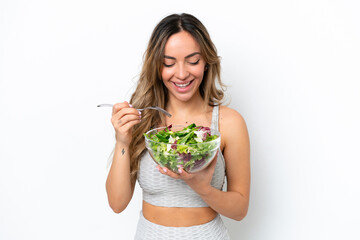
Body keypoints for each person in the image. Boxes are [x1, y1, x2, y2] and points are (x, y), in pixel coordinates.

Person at [105, 13, 250, 239]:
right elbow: (117, 203)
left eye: (193, 61)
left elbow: (240, 210)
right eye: (168, 63)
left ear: (206, 62)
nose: (182, 74)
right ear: (156, 66)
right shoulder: (142, 120)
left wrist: (202, 187)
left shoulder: (229, 123)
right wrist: (122, 140)